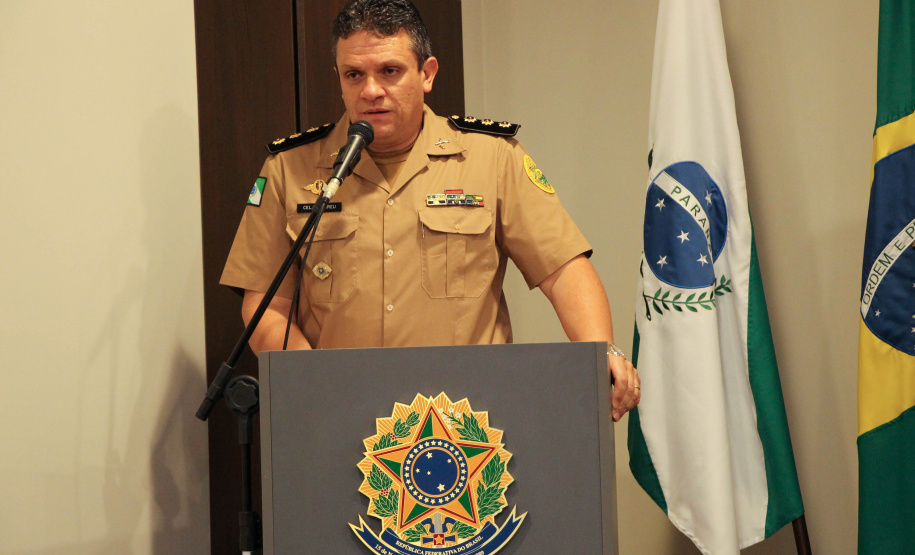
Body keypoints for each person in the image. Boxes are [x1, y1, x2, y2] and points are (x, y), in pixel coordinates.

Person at [220, 0, 640, 421]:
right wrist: (317, 383)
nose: (370, 90)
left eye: (389, 71)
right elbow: (265, 306)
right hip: (338, 413)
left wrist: (600, 351)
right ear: (340, 80)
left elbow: (563, 271)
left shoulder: (491, 157)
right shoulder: (288, 169)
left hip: (472, 418)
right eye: (354, 75)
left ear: (427, 74)